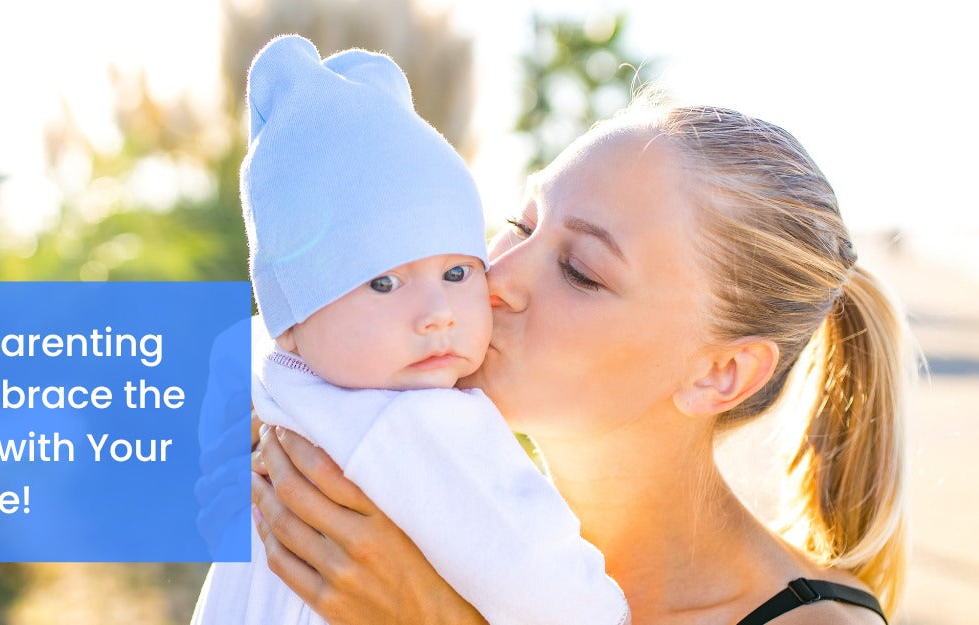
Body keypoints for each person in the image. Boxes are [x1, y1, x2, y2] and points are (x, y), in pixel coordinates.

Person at [249, 95, 910, 624]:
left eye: (580, 271)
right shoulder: (396, 527)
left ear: (721, 373)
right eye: (522, 222)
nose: (497, 275)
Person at [191, 35, 628, 625]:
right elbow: (550, 592)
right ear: (292, 322)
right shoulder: (425, 424)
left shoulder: (280, 387)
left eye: (455, 272)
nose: (437, 313)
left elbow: (243, 344)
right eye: (383, 284)